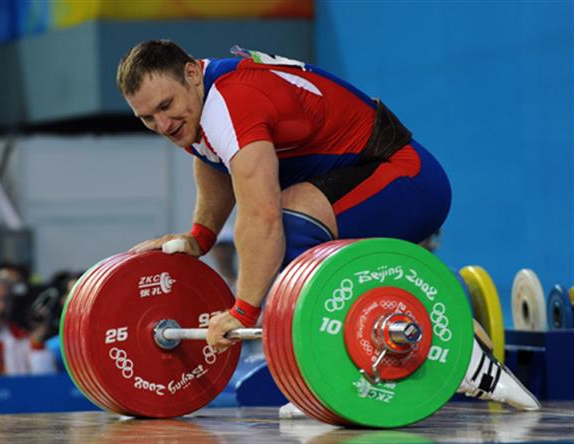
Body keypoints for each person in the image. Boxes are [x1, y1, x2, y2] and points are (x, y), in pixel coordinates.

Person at [116, 40, 539, 411]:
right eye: (147, 119)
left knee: (287, 223)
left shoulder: (232, 100)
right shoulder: (198, 102)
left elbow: (260, 217)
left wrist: (242, 311)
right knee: (296, 247)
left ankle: (461, 353)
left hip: (407, 180)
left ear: (191, 73)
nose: (163, 126)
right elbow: (212, 158)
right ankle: (339, 380)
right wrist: (201, 236)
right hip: (362, 181)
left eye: (166, 107)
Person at [0, 272, 56, 375]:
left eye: (6, 300)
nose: (2, 306)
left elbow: (46, 380)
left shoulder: (22, 339)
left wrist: (37, 341)